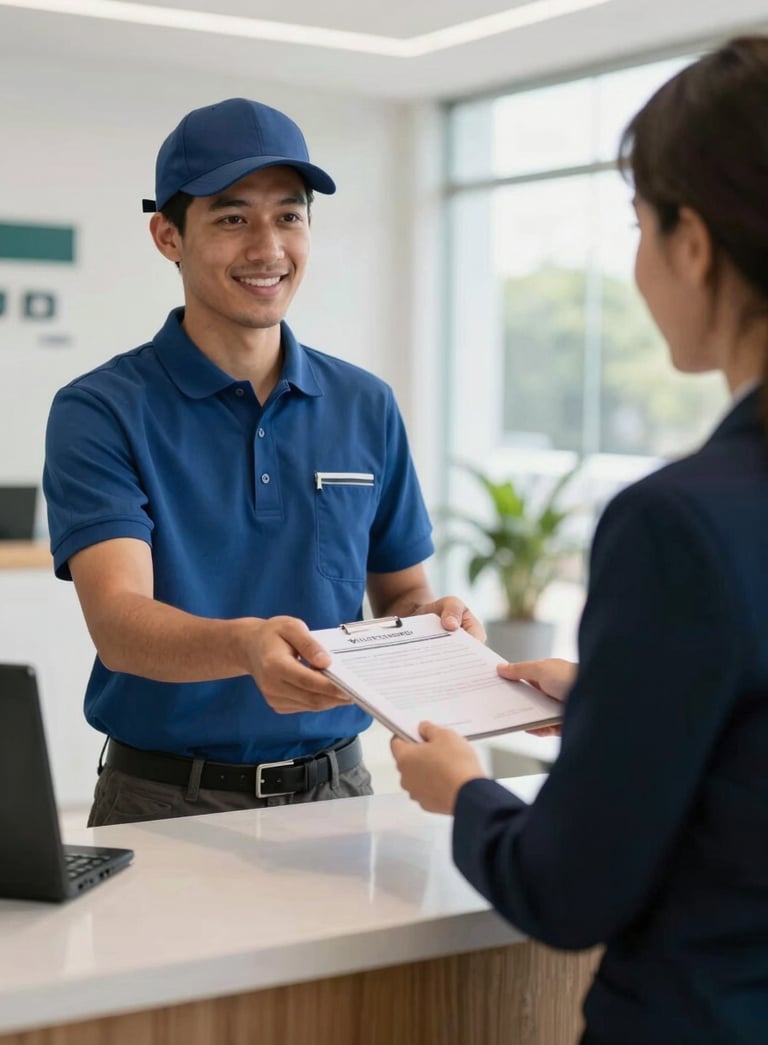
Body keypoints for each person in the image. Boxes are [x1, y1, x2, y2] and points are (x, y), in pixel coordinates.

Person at [392, 36, 768, 1045]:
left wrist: (465, 791)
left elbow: (568, 889)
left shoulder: (677, 524)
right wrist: (617, 703)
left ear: (694, 241)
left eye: (641, 226)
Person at [43, 97, 482, 826]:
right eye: (232, 217)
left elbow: (401, 591)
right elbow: (119, 621)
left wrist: (431, 623)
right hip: (162, 800)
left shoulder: (365, 403)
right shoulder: (100, 409)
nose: (268, 247)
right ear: (167, 236)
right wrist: (247, 646)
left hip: (340, 793)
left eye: (289, 215)